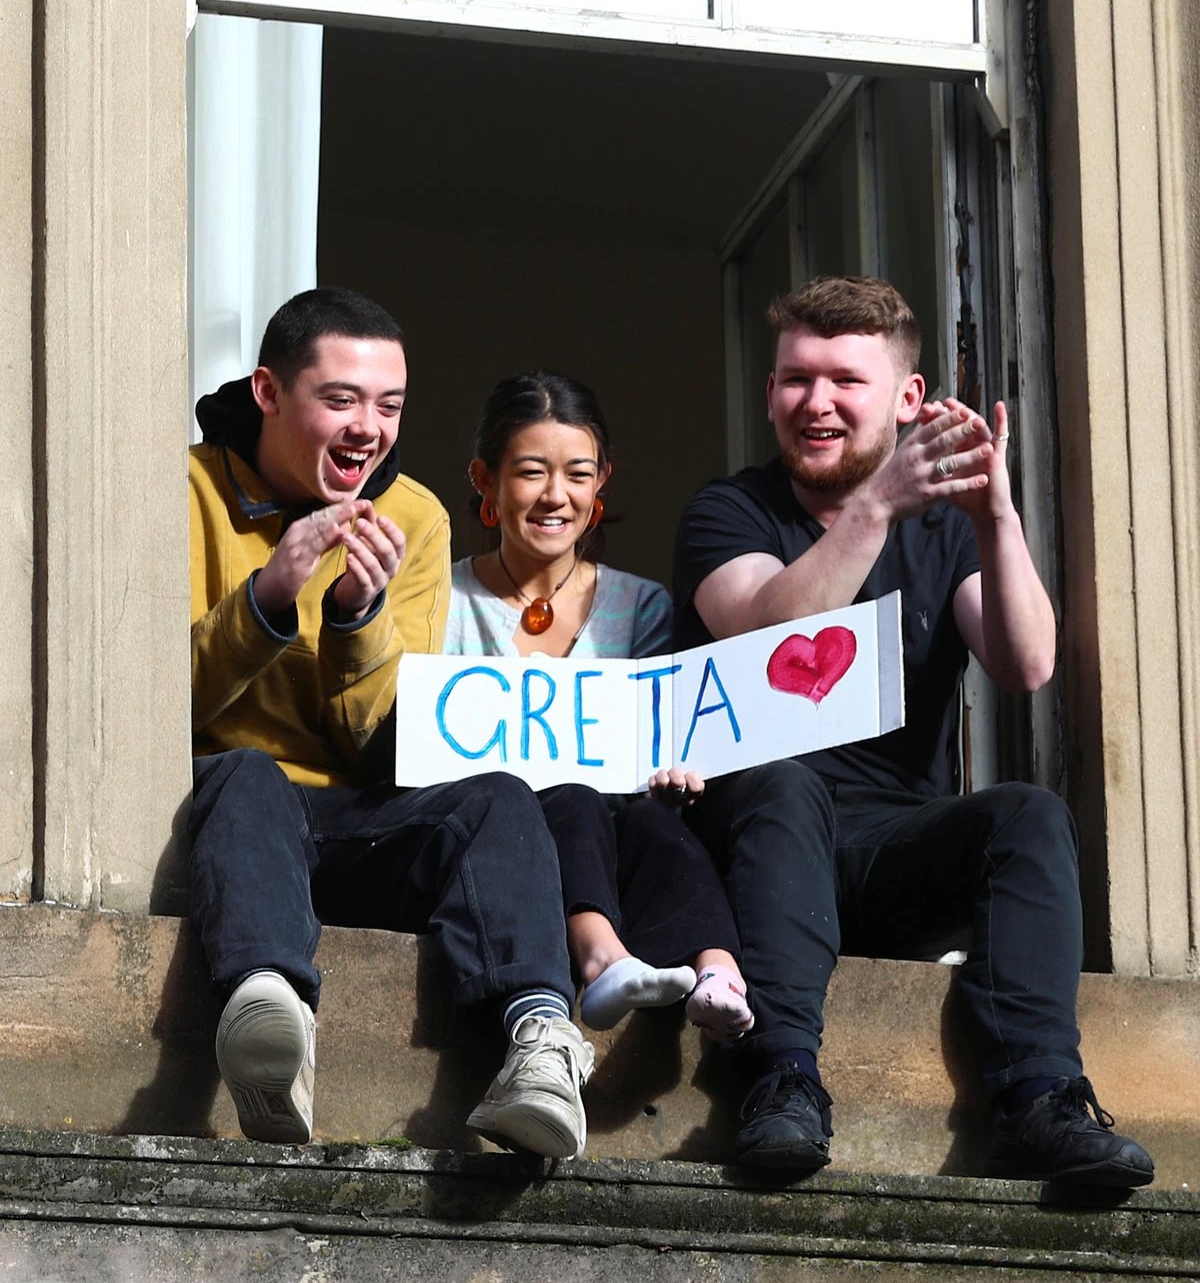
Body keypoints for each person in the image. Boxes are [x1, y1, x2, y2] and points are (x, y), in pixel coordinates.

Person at [672, 276, 1155, 1188]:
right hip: (756, 851)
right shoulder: (728, 510)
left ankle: (1041, 1097)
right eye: (793, 379)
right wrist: (875, 510)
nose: (814, 402)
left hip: (891, 847)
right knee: (780, 778)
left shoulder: (943, 532)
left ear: (907, 400)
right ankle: (779, 1081)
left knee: (1028, 816)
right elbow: (763, 635)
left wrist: (996, 519)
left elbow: (1027, 665)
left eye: (844, 381)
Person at [189, 288, 593, 1159]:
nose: (369, 427)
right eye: (341, 400)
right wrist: (264, 599)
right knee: (249, 772)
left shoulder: (412, 515)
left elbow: (378, 741)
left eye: (389, 405)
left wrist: (352, 616)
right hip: (230, 813)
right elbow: (159, 705)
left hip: (355, 816)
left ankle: (542, 1046)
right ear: (269, 391)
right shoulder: (186, 490)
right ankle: (269, 1016)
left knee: (496, 797)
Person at [444, 370, 754, 1041]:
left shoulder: (641, 606)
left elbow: (649, 739)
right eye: (531, 472)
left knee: (653, 824)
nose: (556, 496)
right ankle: (601, 958)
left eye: (578, 474)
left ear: (602, 481)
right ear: (485, 480)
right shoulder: (440, 602)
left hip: (612, 832)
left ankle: (718, 970)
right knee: (573, 796)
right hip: (498, 841)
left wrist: (670, 773)